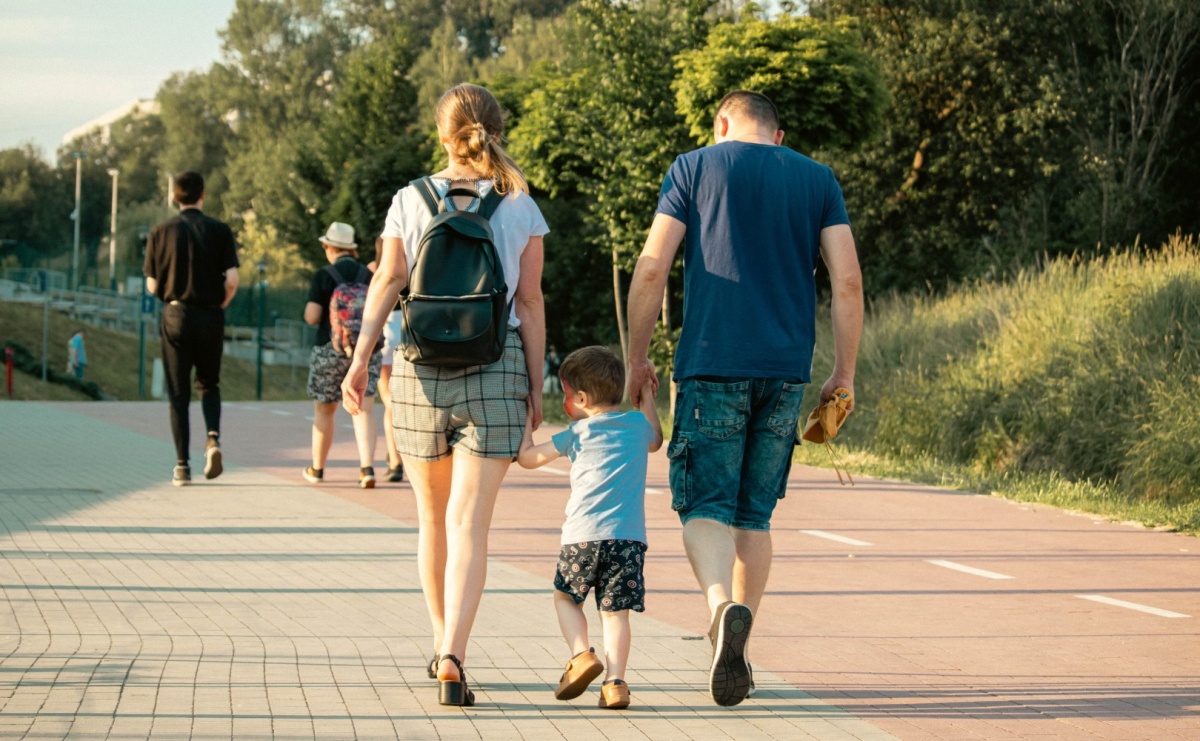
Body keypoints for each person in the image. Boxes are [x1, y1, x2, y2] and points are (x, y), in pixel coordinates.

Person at [625, 90, 864, 707]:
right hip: (785, 372)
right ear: (778, 136)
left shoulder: (694, 166)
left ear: (722, 125)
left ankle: (719, 608)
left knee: (705, 507)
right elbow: (848, 280)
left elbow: (652, 266)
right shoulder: (818, 179)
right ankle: (739, 650)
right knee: (753, 516)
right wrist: (844, 372)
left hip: (711, 363)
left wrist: (634, 359)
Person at [340, 83, 548, 706]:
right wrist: (535, 385)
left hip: (418, 370)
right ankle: (456, 650)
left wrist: (359, 358)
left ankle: (439, 648)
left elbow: (387, 281)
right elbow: (531, 303)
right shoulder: (520, 204)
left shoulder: (409, 198)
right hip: (496, 365)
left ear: (441, 134)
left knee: (432, 520)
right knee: (470, 525)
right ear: (498, 130)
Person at [516, 346, 663, 710]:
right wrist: (646, 398)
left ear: (581, 398)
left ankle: (581, 655)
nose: (565, 403)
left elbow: (527, 459)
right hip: (628, 541)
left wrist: (526, 421)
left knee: (566, 597)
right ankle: (615, 683)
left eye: (566, 396)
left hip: (581, 538)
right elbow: (657, 440)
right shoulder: (637, 426)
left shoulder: (576, 433)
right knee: (615, 613)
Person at [143, 171, 239, 487]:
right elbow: (233, 280)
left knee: (178, 392)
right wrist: (220, 304)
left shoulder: (160, 231)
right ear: (203, 195)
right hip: (211, 315)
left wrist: (171, 298)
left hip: (176, 316)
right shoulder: (220, 230)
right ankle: (213, 439)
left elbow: (152, 283)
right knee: (209, 383)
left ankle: (182, 465)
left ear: (174, 196)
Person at [302, 222, 381, 489]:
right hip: (367, 350)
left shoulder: (324, 275)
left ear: (328, 247)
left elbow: (312, 317)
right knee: (364, 408)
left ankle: (317, 469)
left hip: (330, 349)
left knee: (325, 409)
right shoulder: (368, 275)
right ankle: (367, 468)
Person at [373, 239, 405, 484]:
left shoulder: (376, 268)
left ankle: (395, 460)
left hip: (386, 332)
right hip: (411, 328)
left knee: (390, 403)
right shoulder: (414, 263)